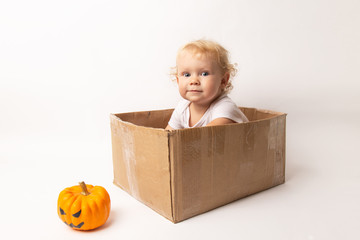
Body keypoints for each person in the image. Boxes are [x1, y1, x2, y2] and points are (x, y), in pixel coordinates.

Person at [165, 39, 248, 130]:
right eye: (187, 75)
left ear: (223, 80)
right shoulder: (182, 108)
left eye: (204, 74)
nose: (193, 81)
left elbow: (206, 137)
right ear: (178, 80)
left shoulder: (225, 107)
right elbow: (167, 137)